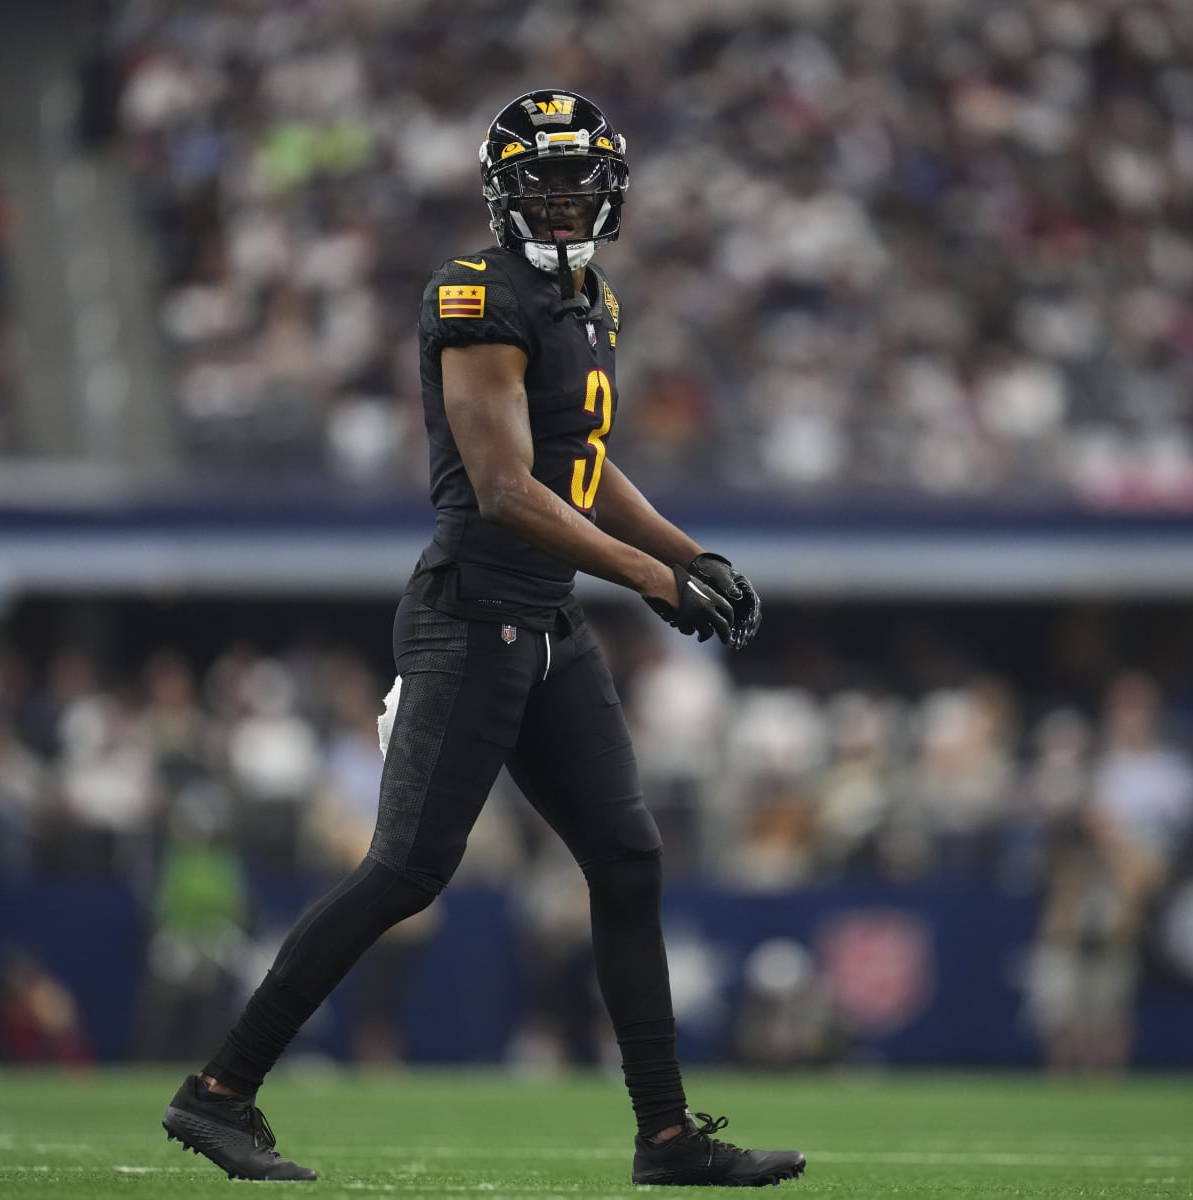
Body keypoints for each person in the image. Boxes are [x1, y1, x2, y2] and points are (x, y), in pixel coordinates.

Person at [161, 89, 804, 1187]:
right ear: (506, 194)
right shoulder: (475, 294)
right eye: (543, 184)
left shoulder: (591, 298)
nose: (563, 204)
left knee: (629, 858)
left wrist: (689, 553)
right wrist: (656, 581)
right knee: (407, 870)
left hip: (548, 621)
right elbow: (508, 488)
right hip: (471, 617)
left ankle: (664, 1139)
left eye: (577, 183)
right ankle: (218, 1092)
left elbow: (584, 467)